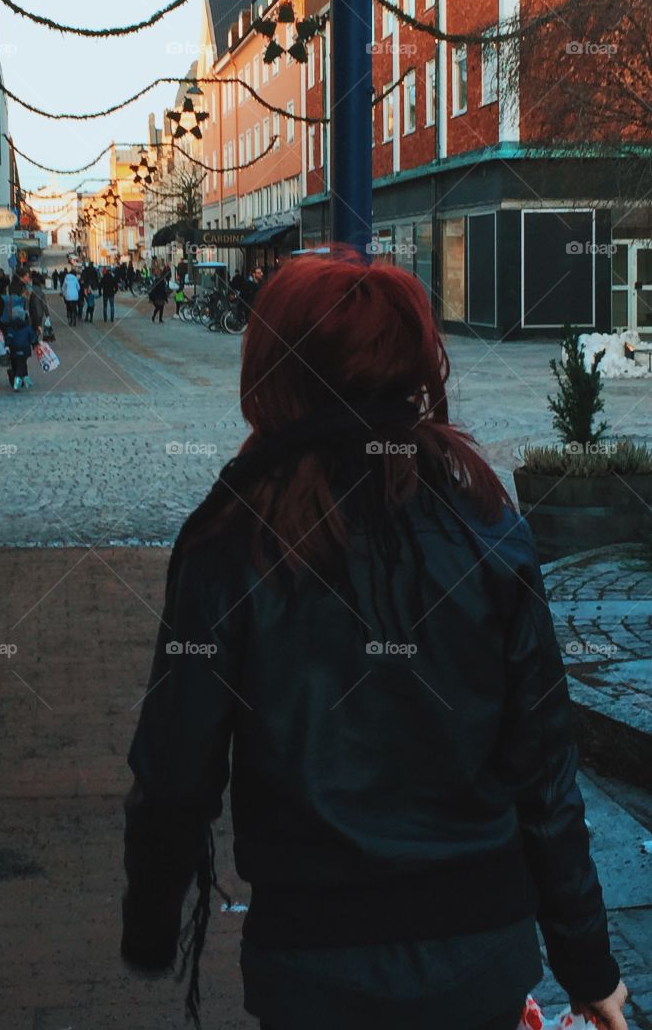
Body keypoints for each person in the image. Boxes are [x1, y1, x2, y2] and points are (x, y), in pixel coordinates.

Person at [121, 251, 628, 1030]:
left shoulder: (231, 537)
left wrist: (153, 923)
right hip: (478, 951)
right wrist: (588, 967)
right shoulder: (485, 523)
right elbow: (544, 773)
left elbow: (177, 768)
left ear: (274, 370)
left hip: (316, 962)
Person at [6, 309, 37, 392]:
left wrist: (7, 346)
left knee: (16, 364)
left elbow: (9, 338)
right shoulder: (27, 327)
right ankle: (17, 384)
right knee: (21, 364)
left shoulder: (11, 327)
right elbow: (33, 338)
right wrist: (35, 344)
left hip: (14, 349)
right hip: (24, 349)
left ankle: (26, 380)